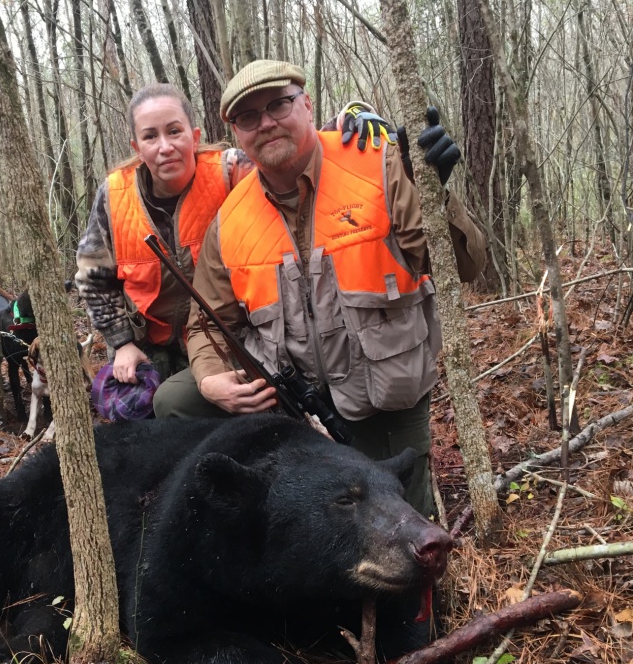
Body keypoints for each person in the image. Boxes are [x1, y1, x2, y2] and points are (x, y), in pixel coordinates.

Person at [154, 60, 486, 517]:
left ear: (307, 104)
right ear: (236, 133)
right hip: (290, 397)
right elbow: (206, 323)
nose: (266, 123)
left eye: (278, 105)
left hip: (379, 396)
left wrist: (434, 193)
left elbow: (465, 266)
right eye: (248, 117)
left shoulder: (379, 164)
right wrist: (212, 380)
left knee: (402, 528)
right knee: (176, 399)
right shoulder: (231, 220)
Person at [75, 83, 254, 415]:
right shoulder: (115, 196)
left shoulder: (232, 172)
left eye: (174, 131)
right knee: (134, 420)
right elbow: (93, 276)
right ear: (137, 147)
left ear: (195, 135)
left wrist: (353, 119)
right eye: (150, 136)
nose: (165, 146)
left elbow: (287, 153)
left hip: (227, 335)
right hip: (149, 343)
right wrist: (122, 342)